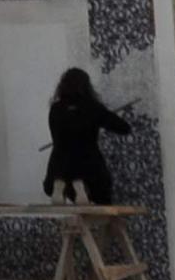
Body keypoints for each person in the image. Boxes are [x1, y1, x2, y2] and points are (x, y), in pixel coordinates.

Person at [43, 68, 135, 209]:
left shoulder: (55, 109)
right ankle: (80, 185)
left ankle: (62, 185)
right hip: (88, 165)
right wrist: (103, 117)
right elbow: (123, 128)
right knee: (102, 193)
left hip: (58, 167)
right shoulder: (92, 107)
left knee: (63, 167)